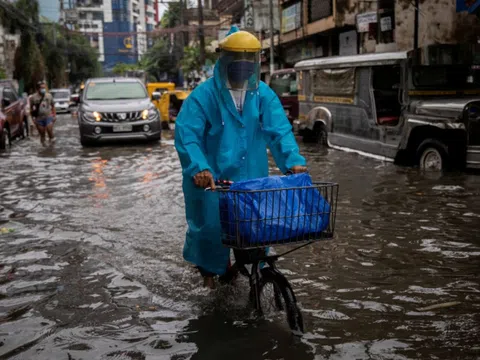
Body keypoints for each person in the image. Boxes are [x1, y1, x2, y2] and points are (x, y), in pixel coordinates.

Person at [175, 26, 307, 289]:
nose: (243, 66)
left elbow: (279, 130)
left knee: (256, 236)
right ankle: (209, 285)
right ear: (223, 59)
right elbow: (187, 135)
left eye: (249, 59)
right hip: (212, 182)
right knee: (211, 235)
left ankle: (254, 282)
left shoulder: (263, 95)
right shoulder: (204, 95)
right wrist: (199, 167)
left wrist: (293, 160)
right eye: (237, 58)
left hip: (251, 182)